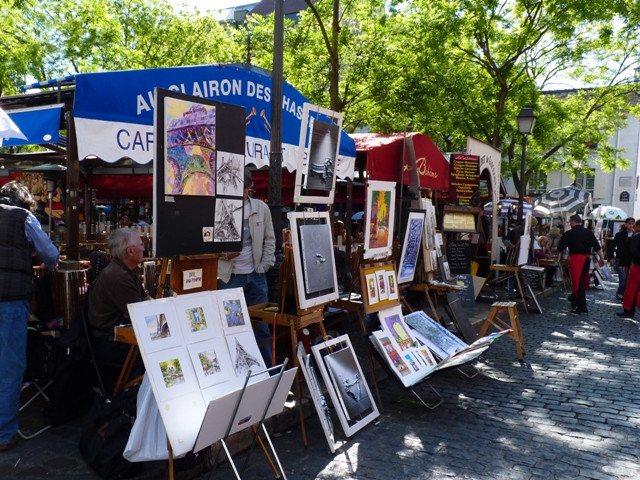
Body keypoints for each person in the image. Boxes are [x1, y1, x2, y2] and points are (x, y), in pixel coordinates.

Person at [0, 181, 59, 451]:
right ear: (24, 201)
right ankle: (4, 433)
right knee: (9, 367)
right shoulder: (24, 217)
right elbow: (51, 254)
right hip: (10, 301)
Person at [218, 168, 276, 367]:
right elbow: (208, 243)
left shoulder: (260, 208)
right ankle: (240, 372)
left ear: (248, 189)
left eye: (242, 189)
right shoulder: (220, 207)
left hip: (256, 275)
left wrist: (264, 266)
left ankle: (268, 370)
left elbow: (270, 239)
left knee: (262, 327)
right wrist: (223, 254)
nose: (239, 192)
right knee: (233, 327)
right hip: (229, 277)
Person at [87, 228, 148, 386]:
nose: (144, 248)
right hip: (111, 345)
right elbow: (142, 314)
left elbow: (144, 300)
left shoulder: (125, 271)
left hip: (114, 340)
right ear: (130, 251)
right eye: (141, 244)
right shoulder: (119, 277)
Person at [557, 214, 605, 315]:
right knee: (581, 281)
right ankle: (574, 300)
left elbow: (560, 248)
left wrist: (557, 254)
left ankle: (582, 306)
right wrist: (602, 258)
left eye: (570, 222)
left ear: (573, 222)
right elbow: (597, 247)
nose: (569, 224)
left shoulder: (569, 233)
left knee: (578, 282)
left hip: (576, 259)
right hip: (586, 258)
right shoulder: (588, 232)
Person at [616, 219, 640, 318]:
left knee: (631, 289)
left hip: (637, 265)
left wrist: (622, 263)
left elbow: (631, 252)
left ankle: (628, 310)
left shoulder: (636, 237)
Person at [607, 217, 635, 300]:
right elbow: (612, 246)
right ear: (626, 224)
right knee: (623, 278)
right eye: (629, 223)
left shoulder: (636, 235)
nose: (631, 225)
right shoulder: (619, 235)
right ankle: (620, 292)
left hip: (630, 260)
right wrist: (611, 258)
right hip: (620, 259)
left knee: (628, 278)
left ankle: (624, 293)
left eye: (632, 223)